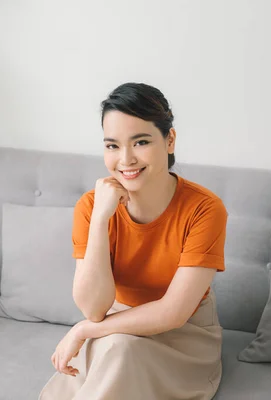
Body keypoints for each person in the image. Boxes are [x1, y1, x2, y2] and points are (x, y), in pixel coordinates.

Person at [39, 82, 228, 400]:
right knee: (119, 347)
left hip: (183, 339)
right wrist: (100, 220)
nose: (125, 159)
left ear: (169, 140)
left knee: (120, 349)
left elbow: (173, 312)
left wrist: (85, 330)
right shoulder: (91, 206)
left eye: (140, 142)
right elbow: (94, 308)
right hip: (113, 328)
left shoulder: (205, 209)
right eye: (112, 146)